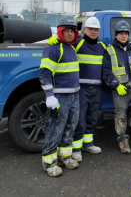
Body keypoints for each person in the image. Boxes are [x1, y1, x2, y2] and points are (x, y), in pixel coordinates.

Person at [48, 17, 106, 162]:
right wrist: (54, 42)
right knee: (79, 120)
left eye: (96, 30)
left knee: (92, 119)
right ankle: (76, 148)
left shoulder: (103, 47)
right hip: (81, 89)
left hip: (97, 89)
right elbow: (64, 48)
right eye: (90, 29)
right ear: (84, 30)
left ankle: (88, 144)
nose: (93, 32)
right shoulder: (77, 44)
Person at [39, 16, 80, 177]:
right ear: (60, 31)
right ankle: (49, 162)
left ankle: (65, 156)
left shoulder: (71, 47)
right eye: (66, 31)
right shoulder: (53, 49)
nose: (70, 34)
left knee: (70, 127)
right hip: (60, 98)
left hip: (74, 95)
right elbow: (44, 74)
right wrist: (50, 95)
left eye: (72, 31)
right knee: (55, 130)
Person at [102, 20, 131, 154]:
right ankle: (122, 140)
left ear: (128, 35)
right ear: (116, 35)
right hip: (119, 89)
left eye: (126, 33)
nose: (123, 36)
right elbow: (106, 72)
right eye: (121, 33)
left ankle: (130, 116)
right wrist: (116, 85)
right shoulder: (109, 50)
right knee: (120, 115)